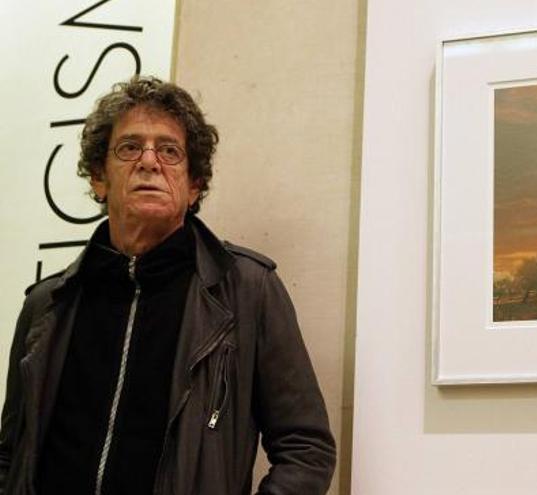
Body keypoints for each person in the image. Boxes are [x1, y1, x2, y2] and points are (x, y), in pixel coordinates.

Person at [0, 76, 336, 494]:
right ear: (99, 178)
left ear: (194, 186)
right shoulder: (47, 304)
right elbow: (12, 454)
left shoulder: (248, 291)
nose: (149, 161)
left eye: (170, 151)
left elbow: (306, 449)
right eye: (129, 147)